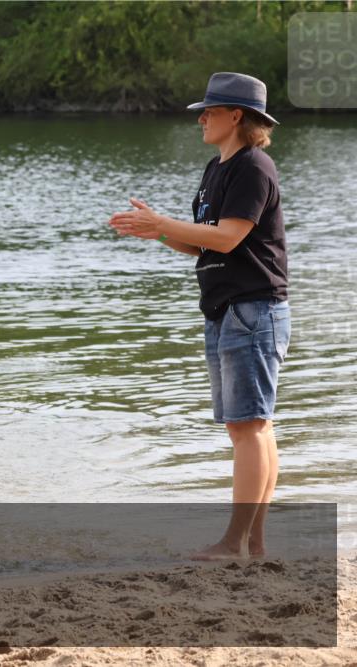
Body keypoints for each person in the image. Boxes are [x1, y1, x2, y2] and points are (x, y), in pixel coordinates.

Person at [108, 73, 290, 560]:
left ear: (237, 116)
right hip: (229, 308)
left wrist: (163, 223)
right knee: (250, 426)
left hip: (253, 307)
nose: (201, 118)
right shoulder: (218, 168)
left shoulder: (254, 166)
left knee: (249, 426)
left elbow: (230, 237)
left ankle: (235, 542)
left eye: (210, 111)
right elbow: (202, 240)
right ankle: (253, 542)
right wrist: (158, 233)